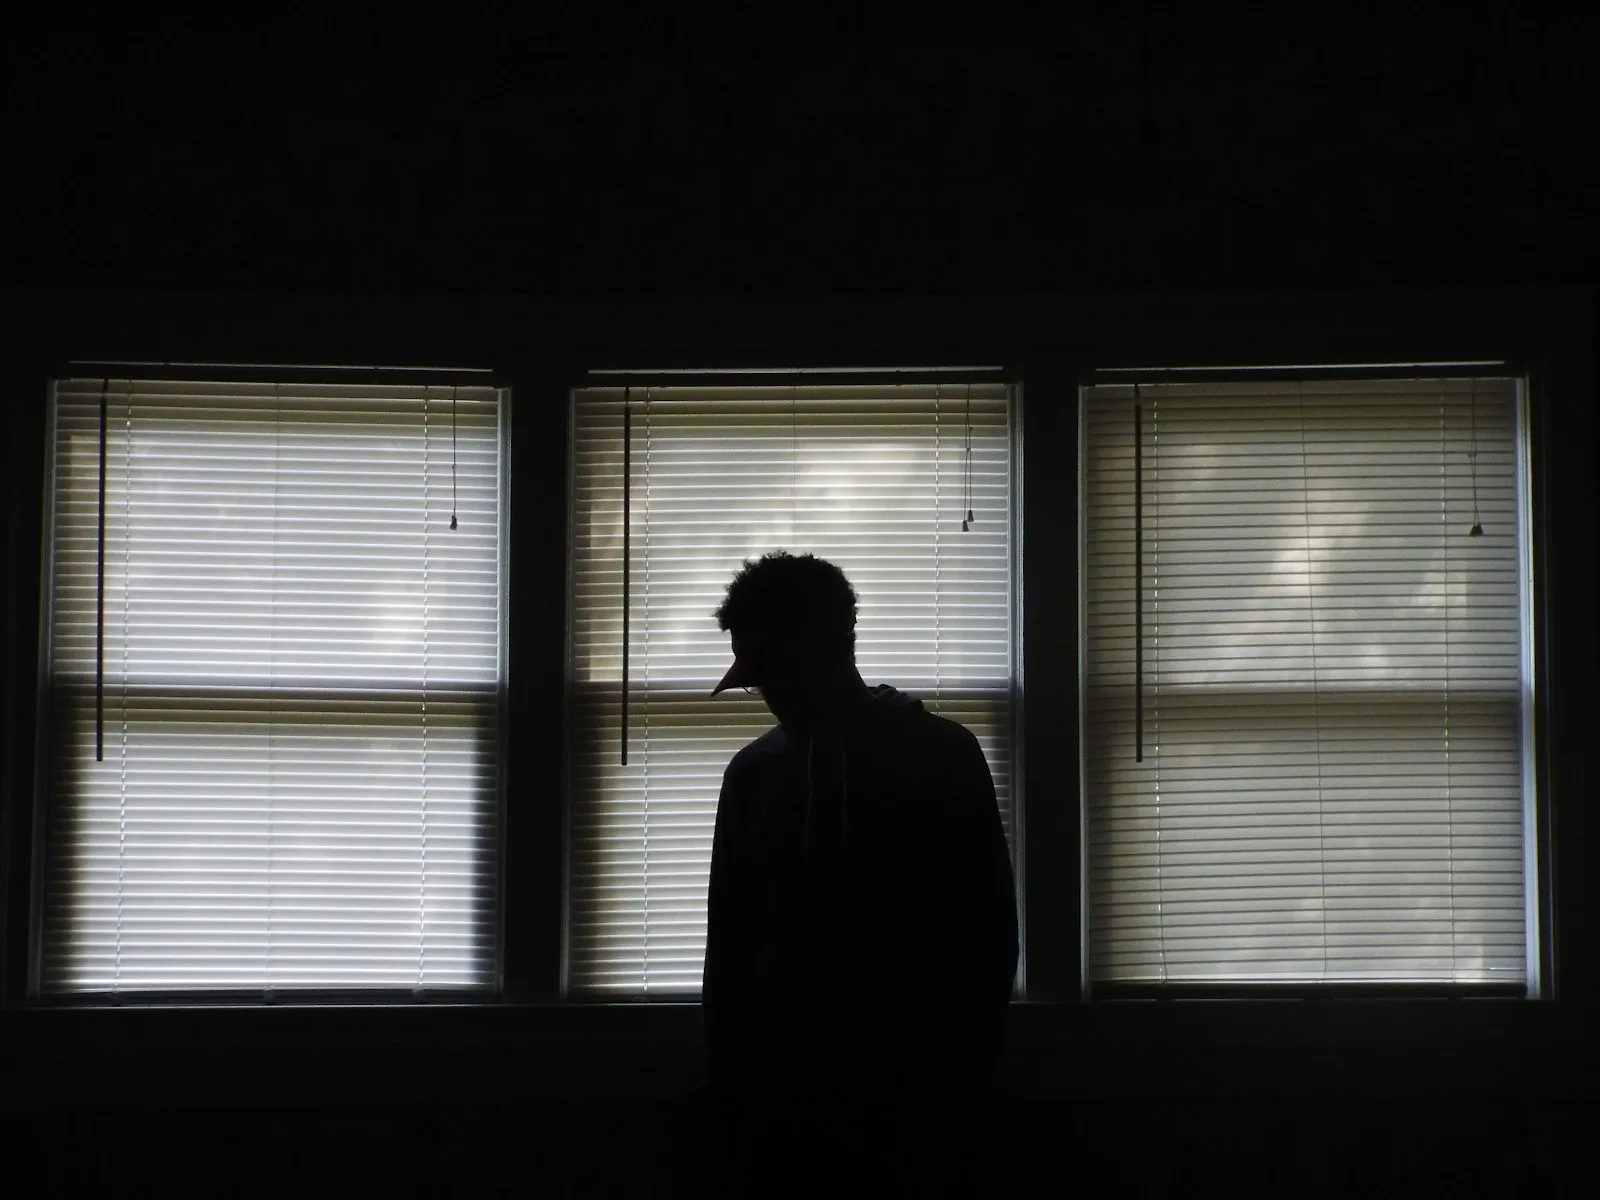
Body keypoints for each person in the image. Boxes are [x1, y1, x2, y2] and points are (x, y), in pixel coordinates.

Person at [700, 551, 1019, 1195]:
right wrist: (734, 1079)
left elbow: (987, 930)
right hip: (783, 1097)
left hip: (922, 1090)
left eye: (776, 670)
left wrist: (962, 1069)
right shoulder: (753, 775)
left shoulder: (942, 757)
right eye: (758, 677)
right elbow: (729, 943)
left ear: (833, 646)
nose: (769, 694)